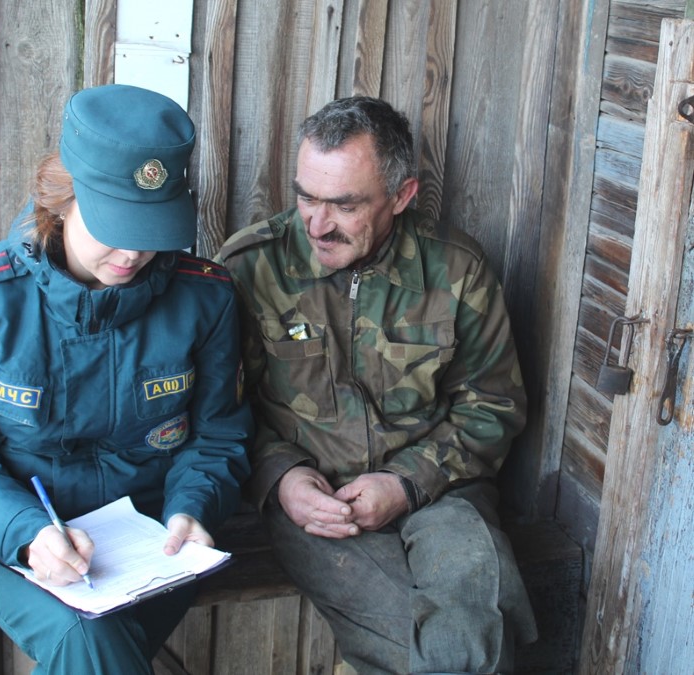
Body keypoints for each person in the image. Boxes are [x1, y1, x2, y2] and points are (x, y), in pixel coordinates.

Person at [0, 84, 251, 674]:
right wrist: (28, 533)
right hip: (15, 538)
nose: (134, 252)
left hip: (158, 538)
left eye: (152, 227)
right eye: (115, 224)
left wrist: (193, 508)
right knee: (88, 643)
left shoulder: (204, 298)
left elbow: (218, 437)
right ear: (62, 200)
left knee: (92, 650)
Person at [217, 96, 537, 674]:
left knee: (469, 631)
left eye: (344, 205)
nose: (317, 225)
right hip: (318, 501)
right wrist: (281, 476)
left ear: (402, 196)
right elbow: (221, 410)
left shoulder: (456, 270)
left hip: (441, 487)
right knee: (423, 653)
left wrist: (406, 482)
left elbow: (493, 404)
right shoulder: (252, 266)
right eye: (306, 197)